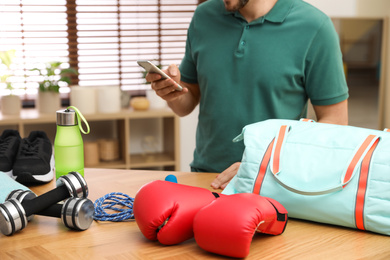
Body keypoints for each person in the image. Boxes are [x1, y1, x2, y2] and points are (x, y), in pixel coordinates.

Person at [145, 0, 349, 190]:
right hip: (207, 178)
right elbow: (186, 104)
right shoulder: (204, 16)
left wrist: (258, 165)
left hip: (273, 181)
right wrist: (172, 93)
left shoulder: (314, 27)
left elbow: (336, 122)